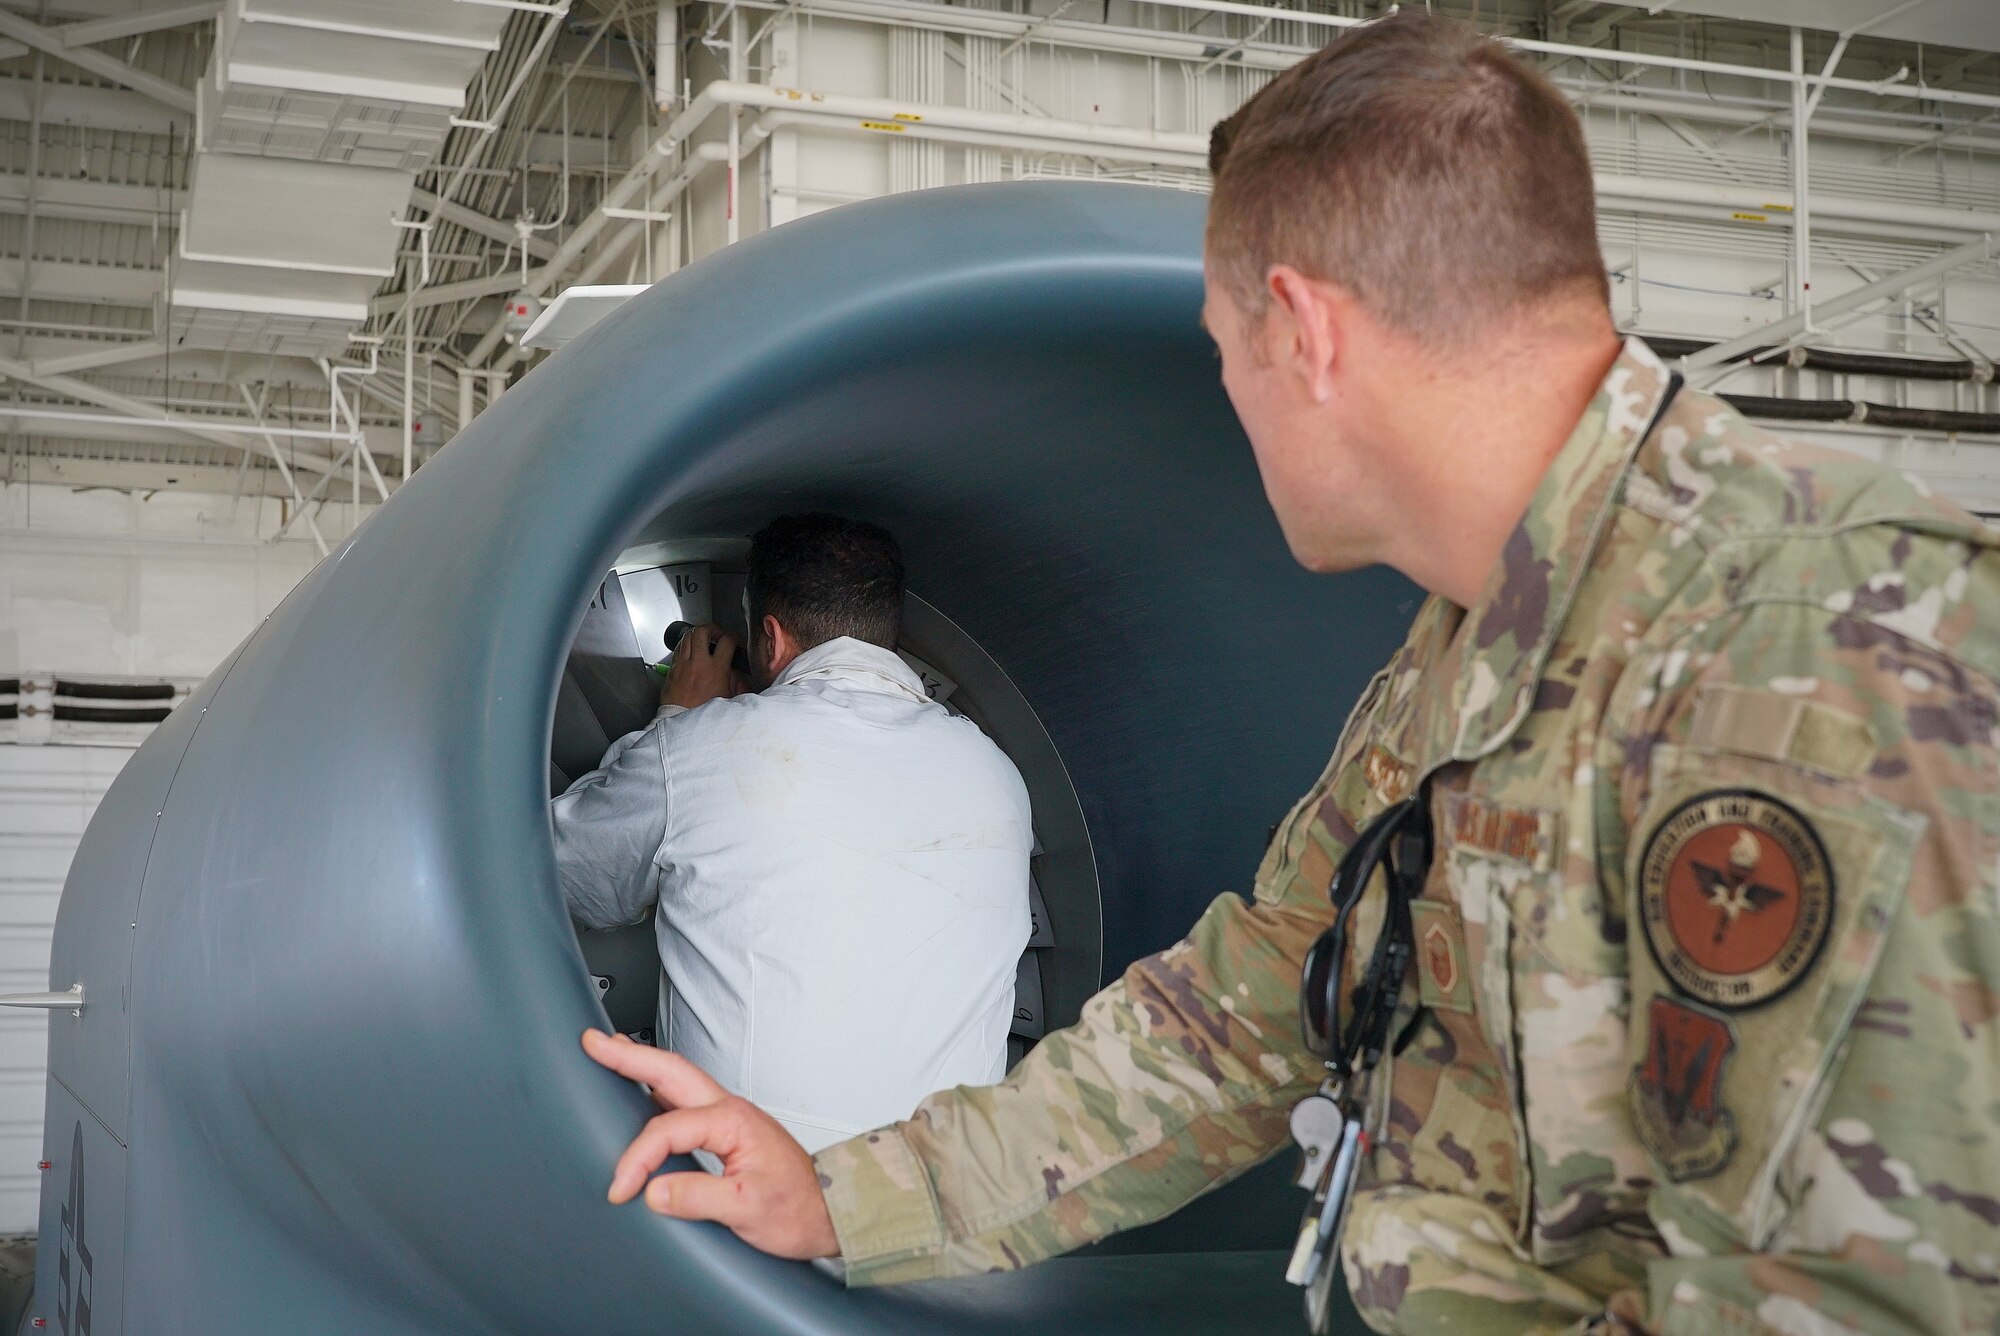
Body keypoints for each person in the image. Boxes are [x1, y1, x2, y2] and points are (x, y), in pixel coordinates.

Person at [580, 15, 2000, 1334]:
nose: (1231, 403)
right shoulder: (1462, 661)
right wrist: (842, 1196)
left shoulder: (1829, 643)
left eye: (1226, 356)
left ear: (1306, 333)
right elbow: (1248, 1016)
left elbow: (1871, 1281)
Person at [554, 512, 1033, 1152]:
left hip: (749, 1198)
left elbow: (569, 877)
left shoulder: (698, 749)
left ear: (771, 640)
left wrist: (677, 720)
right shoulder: (998, 774)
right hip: (948, 1206)